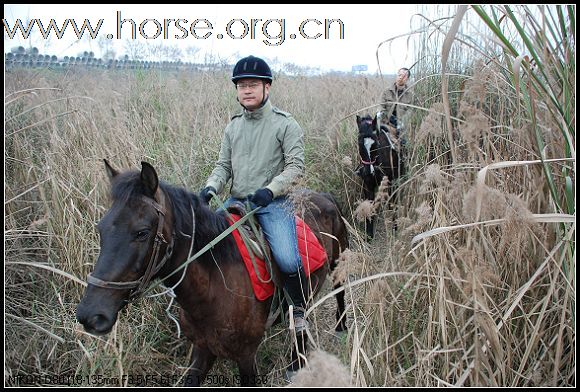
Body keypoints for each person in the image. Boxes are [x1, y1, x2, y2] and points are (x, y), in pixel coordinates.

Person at [199, 55, 309, 333]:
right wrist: (211, 186)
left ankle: (298, 312)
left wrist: (270, 191)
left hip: (272, 204)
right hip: (237, 201)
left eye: (253, 84)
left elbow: (296, 166)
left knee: (287, 257)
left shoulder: (285, 124)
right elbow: (223, 166)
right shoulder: (233, 126)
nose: (247, 90)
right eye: (241, 85)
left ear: (266, 88)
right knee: (206, 244)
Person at [379, 67, 413, 146]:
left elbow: (410, 111)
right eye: (399, 75)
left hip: (401, 125)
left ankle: (404, 156)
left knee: (404, 144)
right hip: (386, 122)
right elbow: (381, 106)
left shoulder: (410, 95)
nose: (401, 77)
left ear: (407, 79)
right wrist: (383, 115)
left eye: (404, 76)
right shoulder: (386, 91)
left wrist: (402, 122)